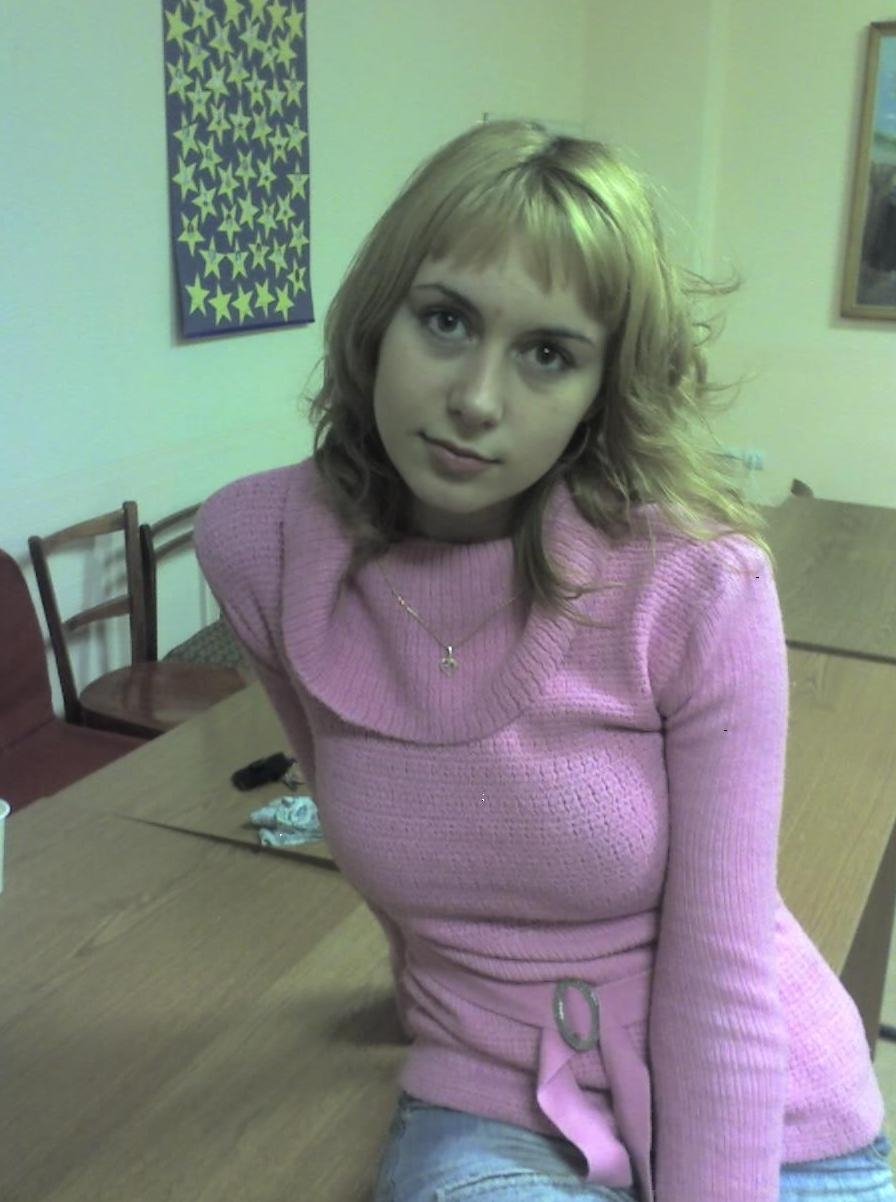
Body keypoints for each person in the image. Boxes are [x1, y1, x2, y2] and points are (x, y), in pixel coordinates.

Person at [194, 119, 895, 1202]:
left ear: (598, 392)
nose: (477, 398)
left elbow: (720, 957)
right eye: (445, 320)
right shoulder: (264, 551)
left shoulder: (693, 579)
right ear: (378, 318)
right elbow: (386, 855)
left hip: (769, 1112)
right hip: (490, 1102)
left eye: (548, 354)